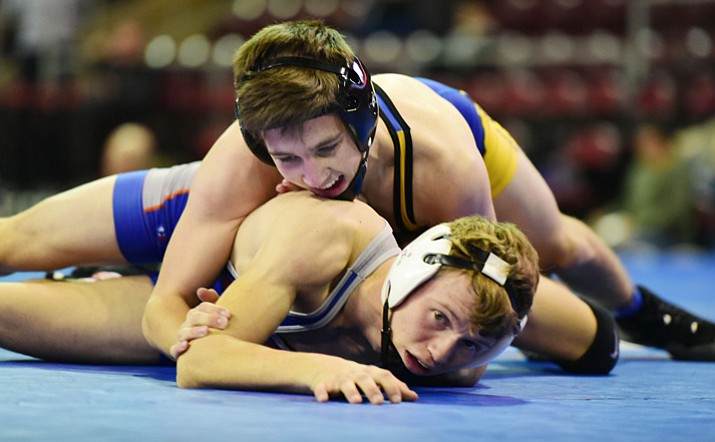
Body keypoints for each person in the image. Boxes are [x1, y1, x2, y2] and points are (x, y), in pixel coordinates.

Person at [0, 20, 708, 361]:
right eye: (288, 158)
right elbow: (166, 305)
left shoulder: (440, 163)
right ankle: (102, 273)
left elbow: (479, 279)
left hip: (433, 155)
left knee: (548, 243)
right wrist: (184, 335)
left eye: (327, 149)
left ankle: (646, 311)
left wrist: (478, 338)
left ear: (359, 125)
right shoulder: (240, 158)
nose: (312, 176)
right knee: (17, 240)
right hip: (221, 228)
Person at [1, 190, 540, 404]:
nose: (443, 354)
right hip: (189, 218)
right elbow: (200, 363)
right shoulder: (326, 242)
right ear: (413, 273)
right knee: (13, 242)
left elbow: (198, 350)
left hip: (208, 306)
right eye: (439, 318)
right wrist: (316, 371)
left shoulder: (467, 345)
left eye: (473, 345)